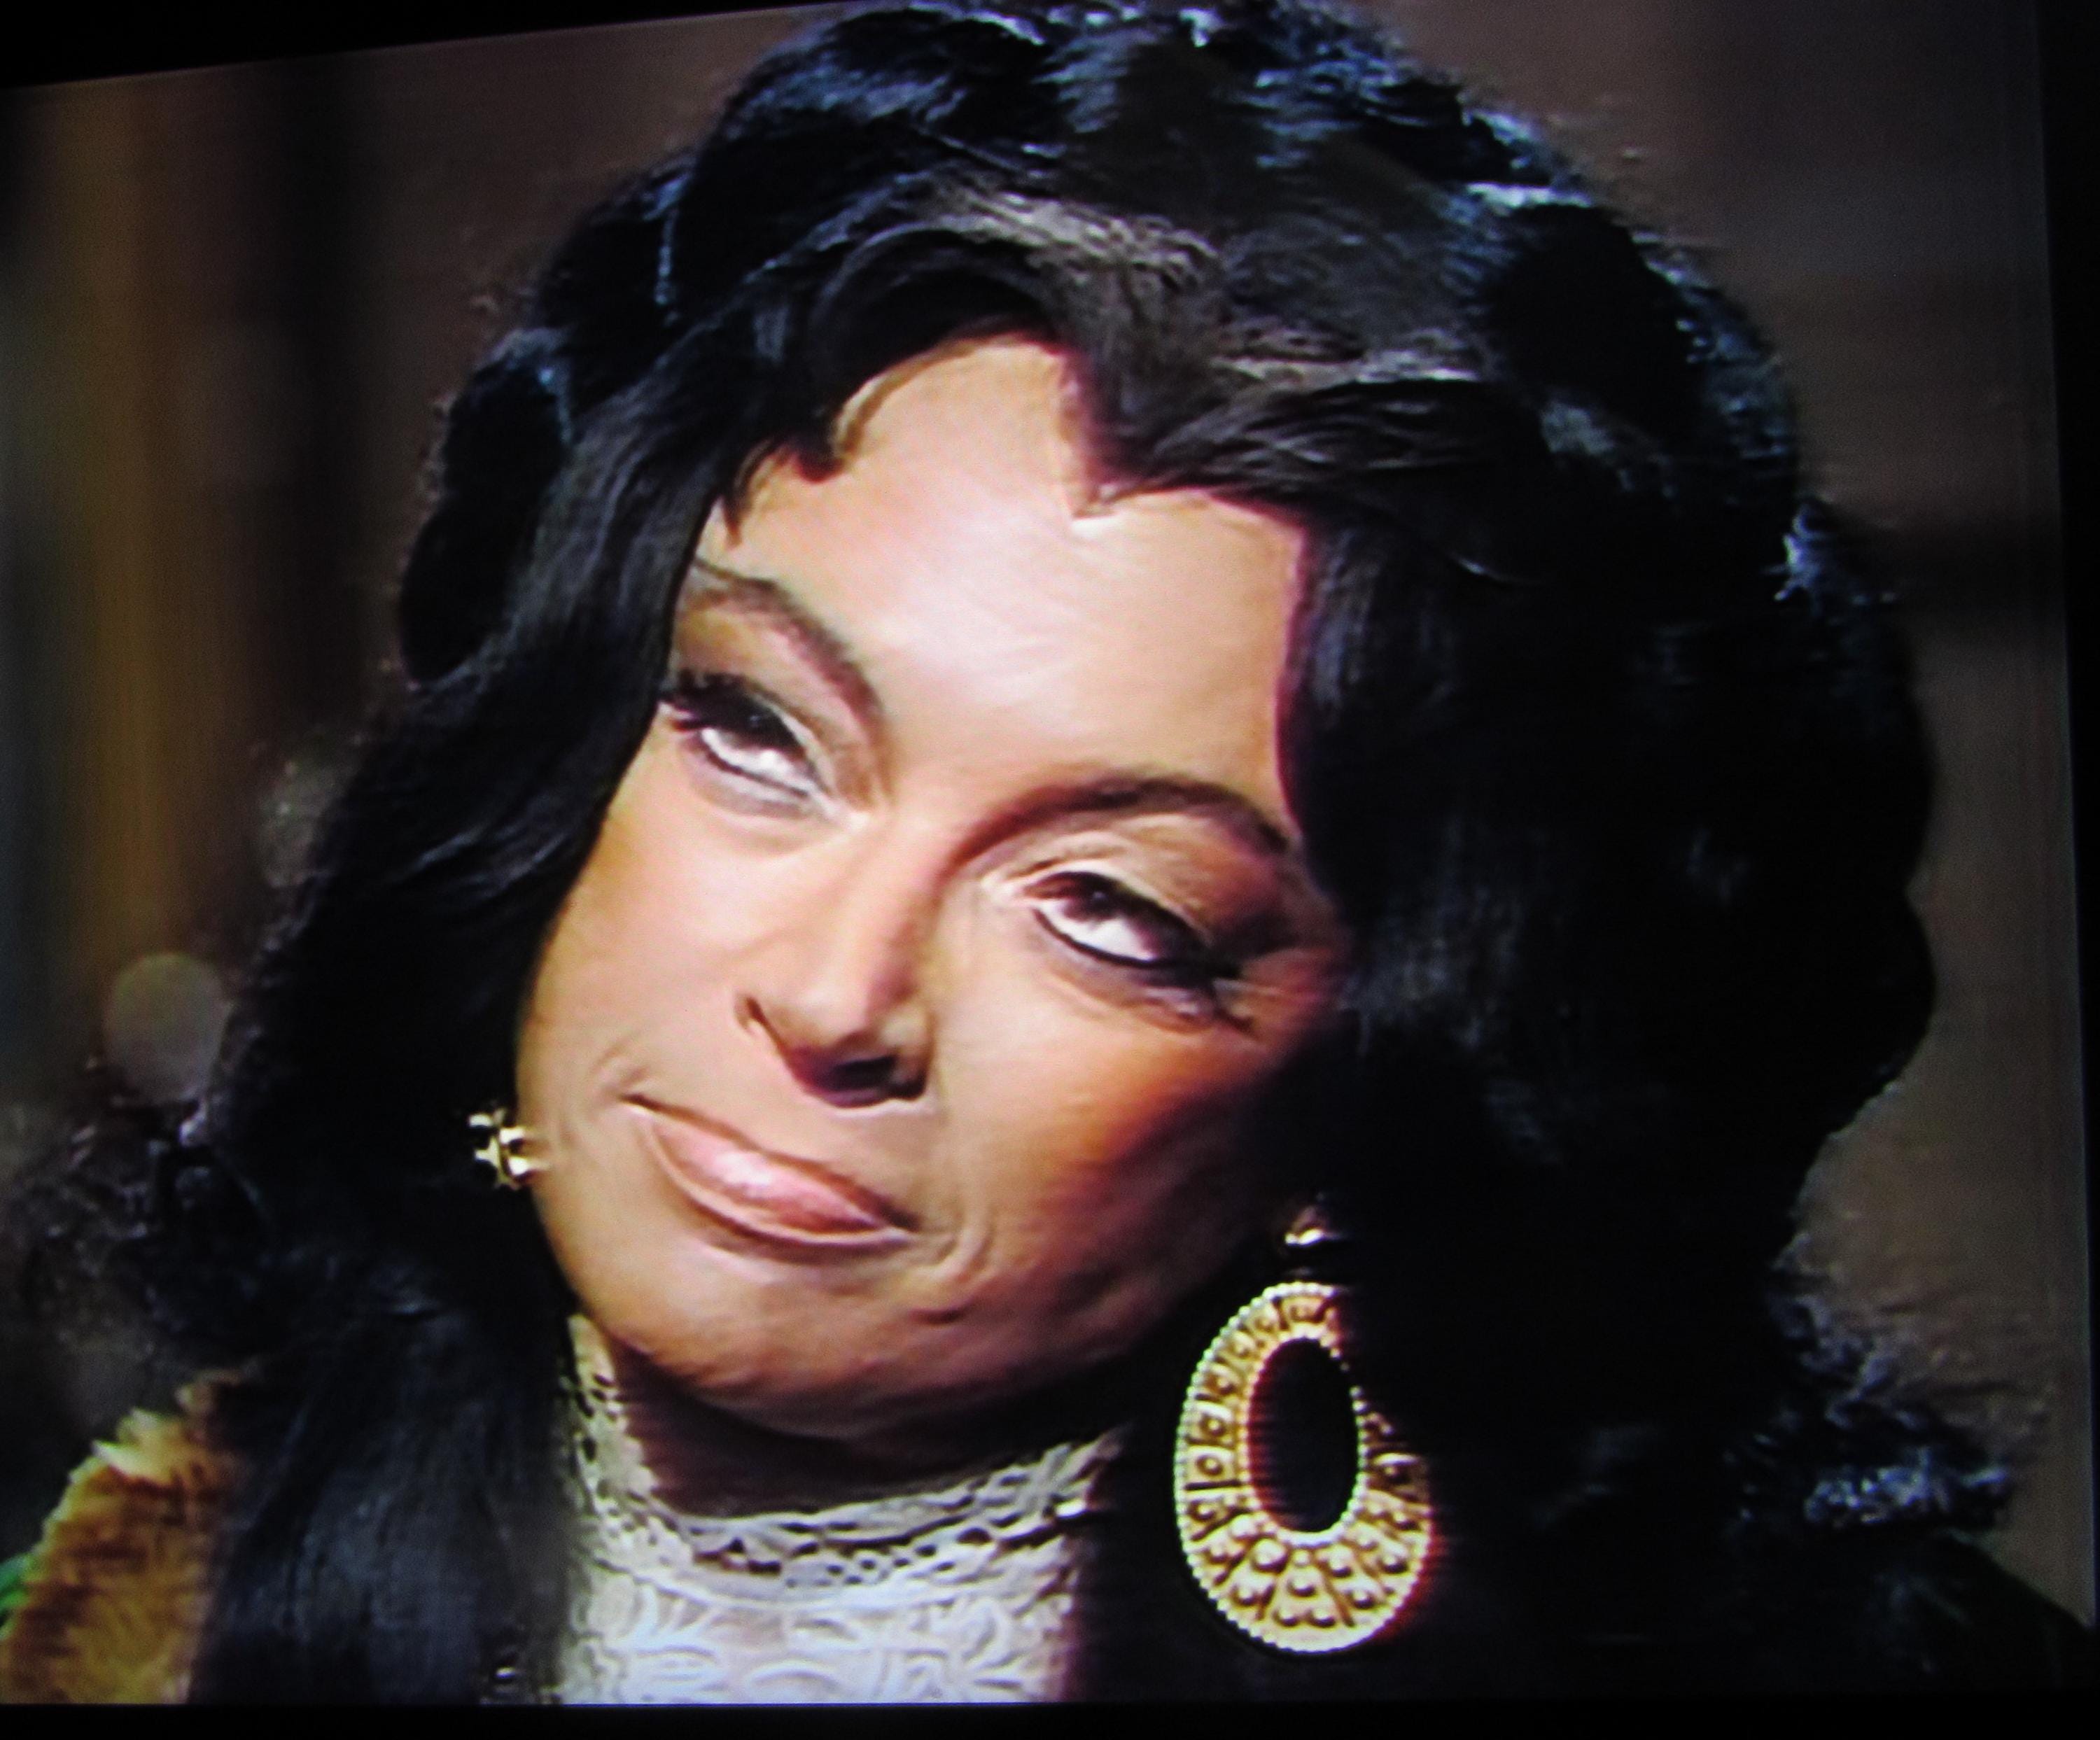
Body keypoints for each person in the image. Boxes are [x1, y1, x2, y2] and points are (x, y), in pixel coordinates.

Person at [0, 0, 2089, 1702]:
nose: (833, 997)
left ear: (1373, 1092)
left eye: (1111, 914)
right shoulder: (138, 1610)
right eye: (754, 733)